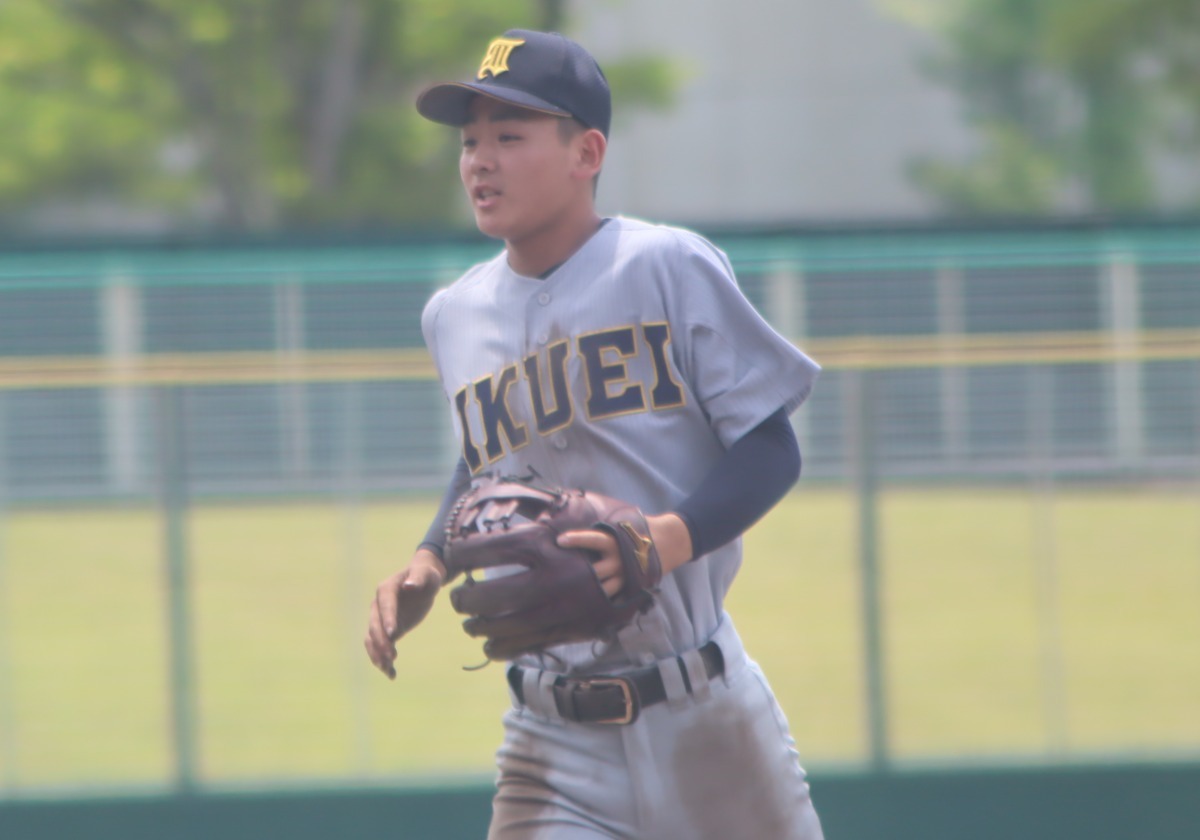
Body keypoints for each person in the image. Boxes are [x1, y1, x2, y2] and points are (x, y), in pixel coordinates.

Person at [364, 28, 825, 839]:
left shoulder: (665, 266)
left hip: (706, 720)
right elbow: (484, 461)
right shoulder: (453, 315)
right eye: (469, 142)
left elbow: (769, 447)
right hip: (551, 741)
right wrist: (430, 559)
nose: (480, 161)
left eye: (510, 136)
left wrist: (664, 539)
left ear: (587, 152)